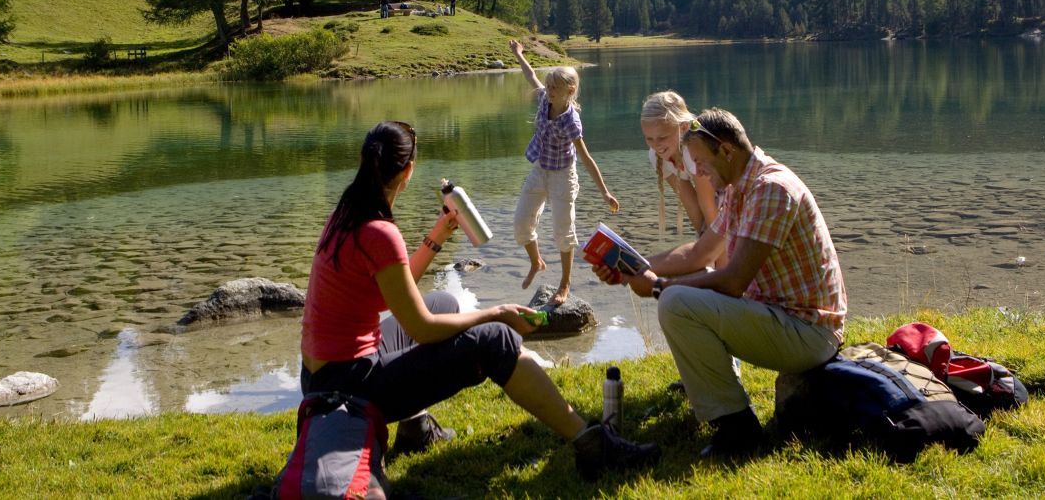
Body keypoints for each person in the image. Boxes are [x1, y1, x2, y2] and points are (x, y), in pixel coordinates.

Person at [299, 121, 658, 479]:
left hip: (322, 374)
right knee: (494, 340)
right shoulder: (380, 232)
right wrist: (497, 313)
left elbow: (388, 290)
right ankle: (592, 444)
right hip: (349, 388)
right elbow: (422, 329)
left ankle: (415, 431)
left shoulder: (348, 213)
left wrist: (438, 234)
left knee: (443, 304)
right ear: (408, 170)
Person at [587, 108, 847, 460]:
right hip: (781, 318)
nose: (700, 173)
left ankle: (738, 427)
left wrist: (660, 286)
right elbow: (700, 252)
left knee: (675, 303)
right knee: (677, 299)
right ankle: (731, 416)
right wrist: (633, 269)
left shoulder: (771, 189)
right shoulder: (741, 187)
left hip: (808, 332)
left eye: (701, 163)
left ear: (726, 150)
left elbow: (734, 281)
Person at [508, 39, 620, 305]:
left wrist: (604, 192)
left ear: (570, 91)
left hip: (562, 177)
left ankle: (565, 284)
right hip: (539, 171)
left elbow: (586, 156)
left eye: (554, 88)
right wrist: (518, 54)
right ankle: (536, 262)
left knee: (564, 232)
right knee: (521, 224)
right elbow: (530, 75)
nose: (548, 90)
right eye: (548, 86)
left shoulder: (571, 122)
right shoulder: (544, 100)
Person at [640, 91, 719, 238]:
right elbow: (692, 205)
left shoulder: (695, 150)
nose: (656, 145)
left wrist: (714, 255)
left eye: (662, 137)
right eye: (649, 138)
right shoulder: (656, 156)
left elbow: (709, 205)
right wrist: (702, 239)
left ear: (683, 127)